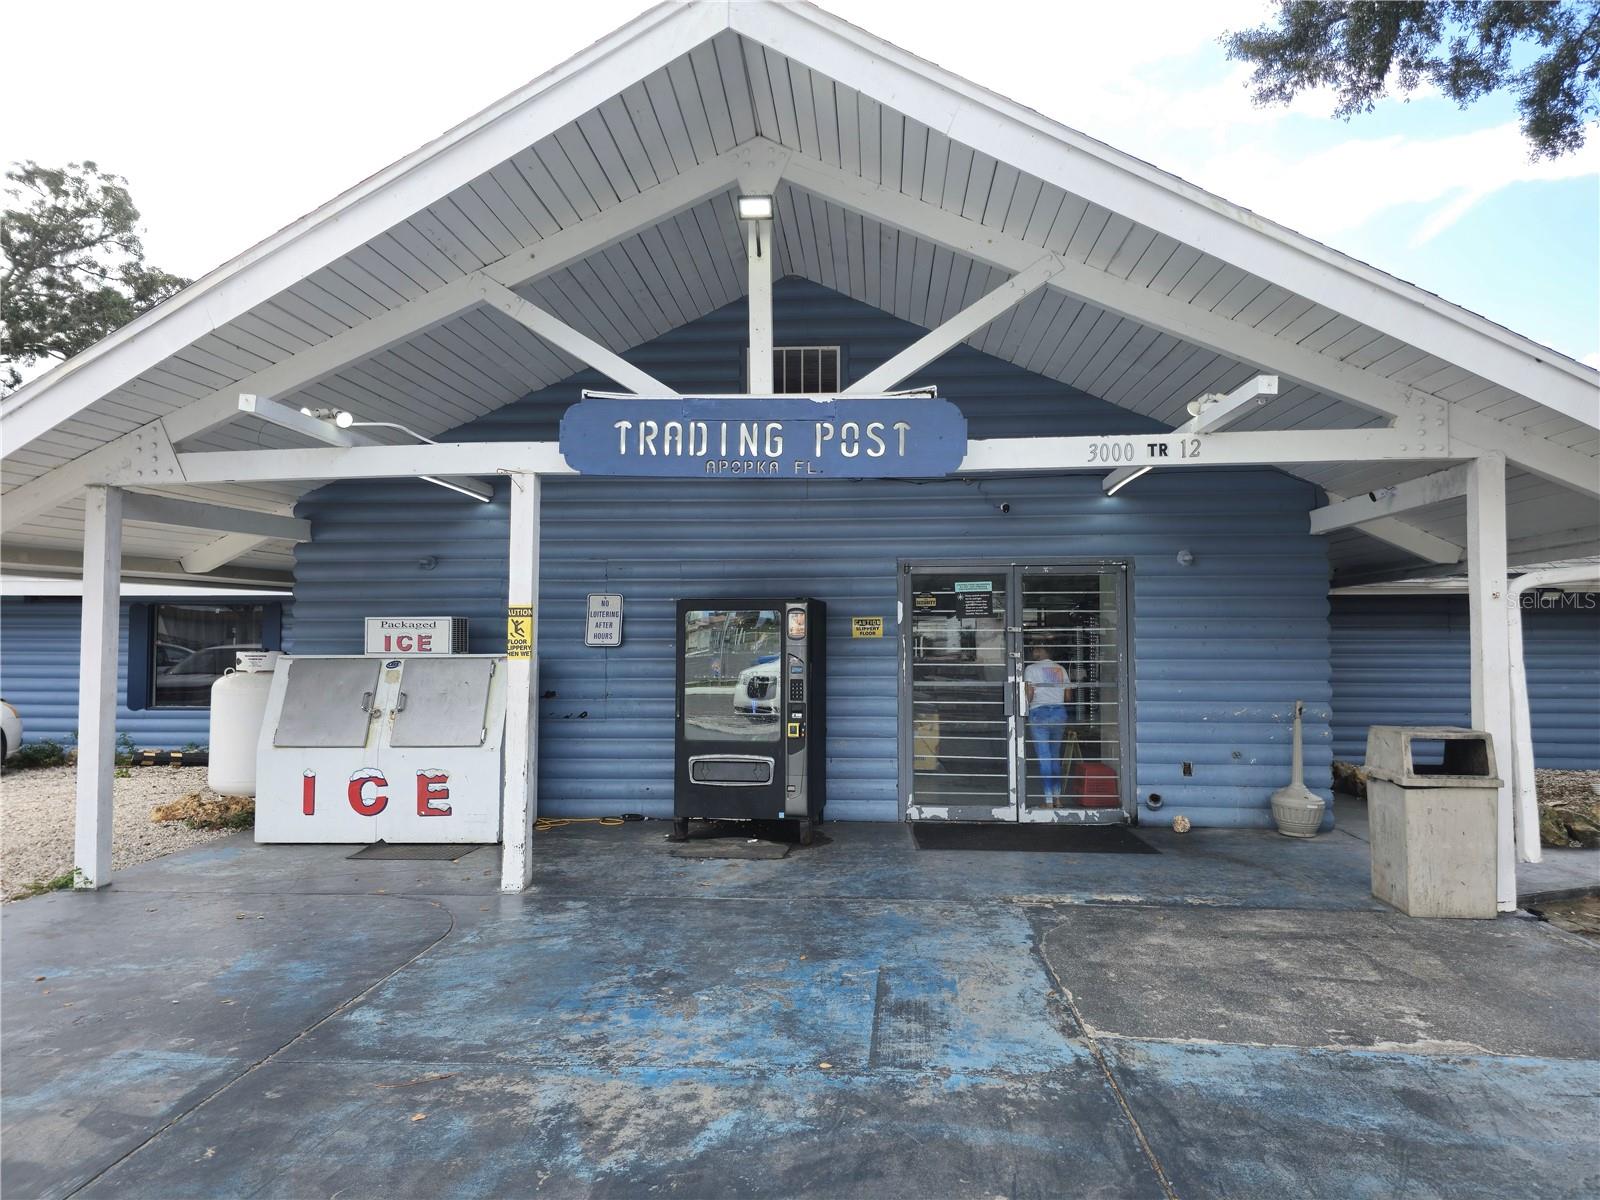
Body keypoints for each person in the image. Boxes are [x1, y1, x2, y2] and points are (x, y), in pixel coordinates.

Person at [1024, 641, 1073, 806]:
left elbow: (1029, 692)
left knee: (1044, 757)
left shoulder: (1031, 669)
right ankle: (1057, 799)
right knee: (1055, 756)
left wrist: (1025, 708)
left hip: (1040, 713)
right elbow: (1068, 697)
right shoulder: (1060, 669)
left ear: (1040, 651)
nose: (1032, 652)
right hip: (1059, 713)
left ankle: (1048, 800)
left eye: (1034, 649)